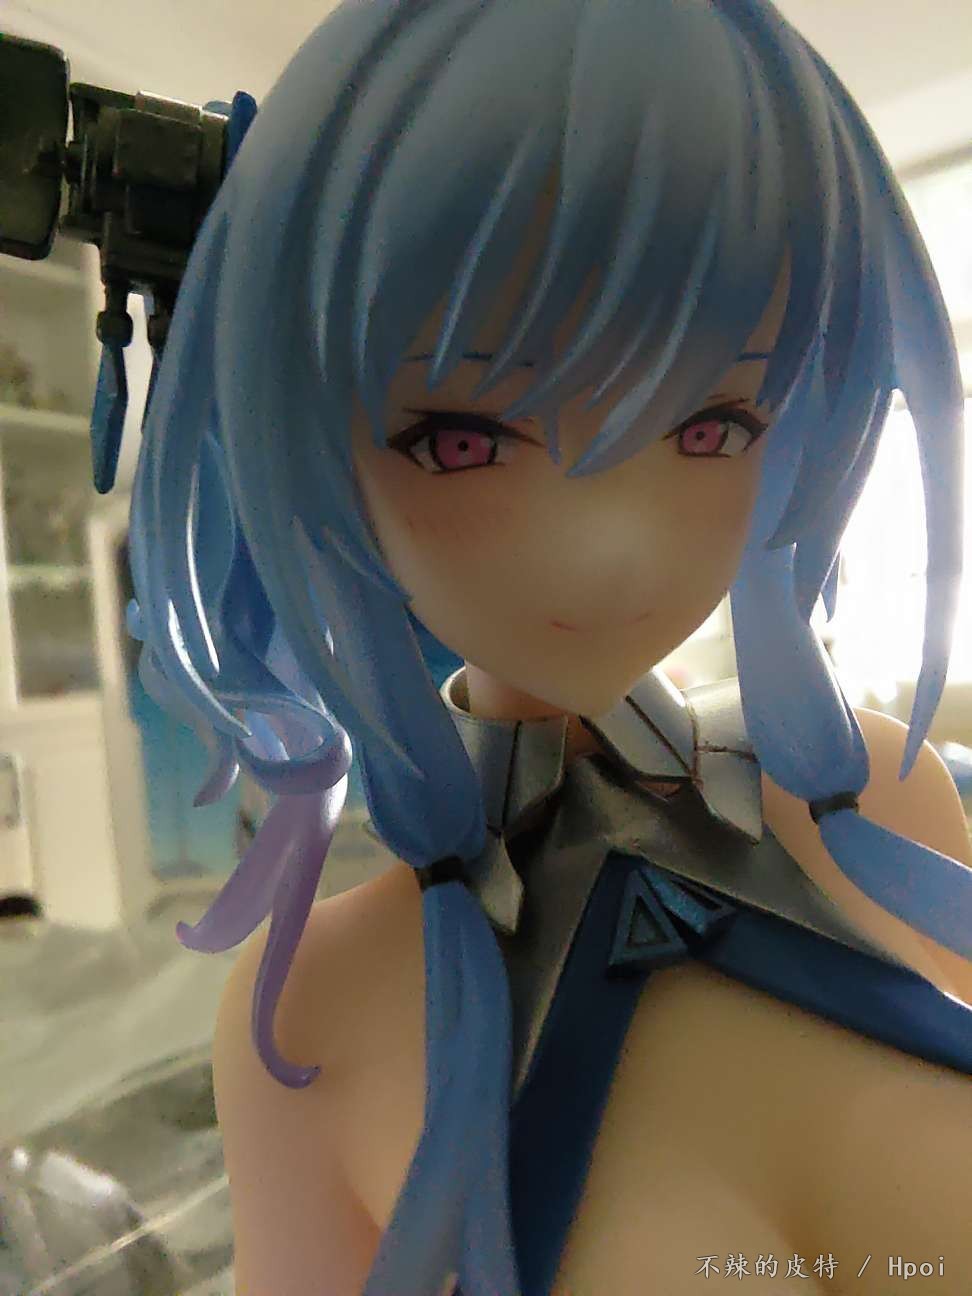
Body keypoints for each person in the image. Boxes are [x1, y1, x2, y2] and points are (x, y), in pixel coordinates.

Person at [125, 0, 972, 1291]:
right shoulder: (313, 1012)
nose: (616, 546)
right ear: (310, 440)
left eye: (713, 425)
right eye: (465, 441)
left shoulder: (885, 802)